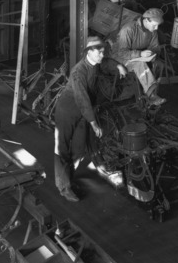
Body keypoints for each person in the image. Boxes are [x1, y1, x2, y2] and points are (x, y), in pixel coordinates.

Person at [53, 37, 127, 202]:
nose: (102, 54)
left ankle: (69, 179)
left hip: (83, 113)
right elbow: (82, 99)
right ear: (89, 52)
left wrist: (119, 66)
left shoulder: (97, 62)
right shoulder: (79, 72)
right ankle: (64, 187)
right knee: (62, 148)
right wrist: (93, 123)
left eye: (102, 51)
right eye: (99, 52)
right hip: (68, 110)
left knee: (79, 149)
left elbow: (107, 62)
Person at [112, 8, 167, 105]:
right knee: (139, 64)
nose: (156, 28)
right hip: (120, 57)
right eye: (155, 25)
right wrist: (140, 54)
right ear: (146, 20)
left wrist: (152, 54)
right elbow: (121, 52)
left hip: (138, 55)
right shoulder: (129, 29)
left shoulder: (152, 30)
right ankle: (151, 95)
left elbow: (155, 47)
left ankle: (152, 89)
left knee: (159, 64)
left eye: (158, 25)